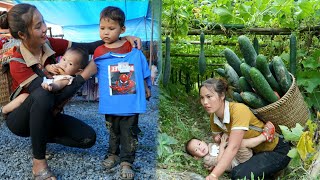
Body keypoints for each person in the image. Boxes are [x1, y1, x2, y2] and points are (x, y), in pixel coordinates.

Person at [0, 3, 141, 180]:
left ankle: (38, 138)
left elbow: (86, 47)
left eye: (43, 22)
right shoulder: (17, 62)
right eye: (38, 26)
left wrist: (122, 38)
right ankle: (39, 163)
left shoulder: (49, 43)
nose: (44, 28)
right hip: (20, 120)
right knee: (44, 93)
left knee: (88, 138)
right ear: (22, 34)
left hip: (48, 115)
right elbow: (52, 96)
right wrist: (84, 76)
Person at [81, 6, 151, 180]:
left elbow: (141, 69)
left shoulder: (131, 48)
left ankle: (127, 161)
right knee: (113, 130)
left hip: (130, 103)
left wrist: (146, 86)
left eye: (111, 29)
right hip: (110, 103)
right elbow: (91, 70)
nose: (105, 33)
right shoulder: (99, 52)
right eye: (102, 28)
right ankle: (113, 154)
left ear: (123, 29)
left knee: (129, 131)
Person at [198, 78, 291, 180]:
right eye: (202, 98)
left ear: (222, 95)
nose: (205, 102)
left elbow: (233, 147)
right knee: (236, 171)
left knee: (238, 175)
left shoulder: (238, 110)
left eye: (209, 97)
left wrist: (214, 175)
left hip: (276, 150)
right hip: (252, 153)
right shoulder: (213, 117)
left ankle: (274, 172)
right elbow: (220, 141)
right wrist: (217, 163)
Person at [1, 46, 89, 115]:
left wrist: (51, 86)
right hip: (40, 94)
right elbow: (47, 70)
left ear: (78, 71)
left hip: (47, 98)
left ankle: (3, 110)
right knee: (24, 96)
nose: (64, 64)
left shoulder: (66, 78)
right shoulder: (59, 69)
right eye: (64, 59)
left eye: (70, 64)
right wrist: (49, 67)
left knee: (24, 97)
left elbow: (58, 85)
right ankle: (8, 110)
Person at [186, 121, 276, 172]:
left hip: (236, 153)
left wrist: (221, 139)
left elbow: (222, 145)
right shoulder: (206, 159)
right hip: (239, 162)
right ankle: (264, 137)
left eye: (199, 144)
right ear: (196, 157)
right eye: (196, 150)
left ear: (202, 141)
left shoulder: (210, 145)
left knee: (236, 139)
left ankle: (260, 137)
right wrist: (221, 146)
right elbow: (220, 161)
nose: (200, 148)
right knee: (240, 143)